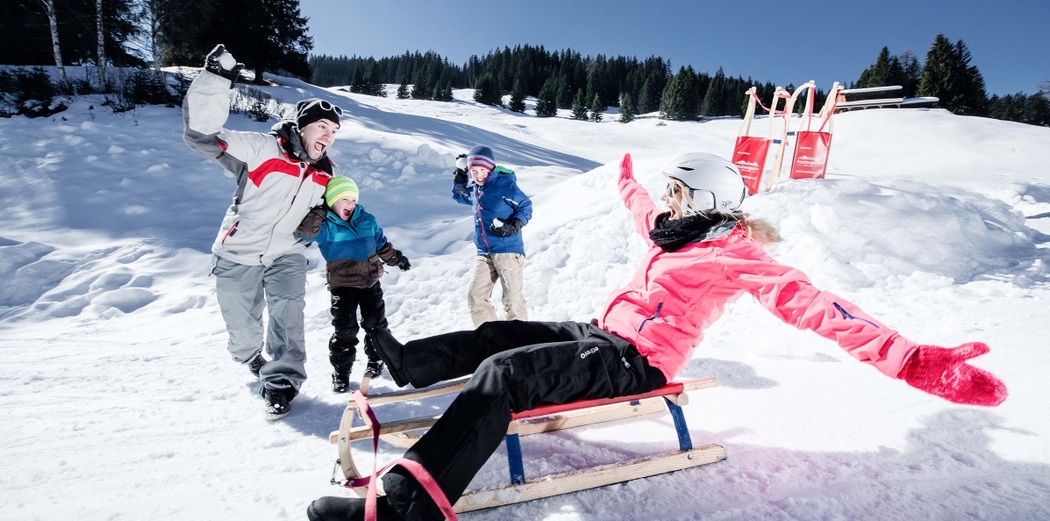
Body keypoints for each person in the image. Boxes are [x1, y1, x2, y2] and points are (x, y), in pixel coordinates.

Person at [307, 152, 1008, 521]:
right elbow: (641, 208)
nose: (666, 201)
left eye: (679, 192)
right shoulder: (674, 232)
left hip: (636, 361)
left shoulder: (735, 254)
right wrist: (627, 180)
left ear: (704, 200)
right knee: (499, 332)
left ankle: (405, 508)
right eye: (669, 192)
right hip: (601, 333)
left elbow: (815, 305)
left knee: (506, 376)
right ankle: (404, 363)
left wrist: (910, 358)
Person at [182, 43, 342, 420]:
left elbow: (333, 207)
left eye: (334, 131)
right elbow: (202, 136)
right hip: (239, 251)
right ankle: (251, 357)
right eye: (322, 127)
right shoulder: (260, 149)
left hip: (287, 252)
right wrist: (216, 81)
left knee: (289, 311)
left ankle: (282, 381)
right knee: (243, 327)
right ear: (302, 125)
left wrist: (319, 217)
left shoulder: (326, 172)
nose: (329, 136)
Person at [297, 176, 412, 393]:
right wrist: (320, 211)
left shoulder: (366, 219)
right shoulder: (326, 226)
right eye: (343, 199)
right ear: (331, 201)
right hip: (343, 286)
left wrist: (396, 258)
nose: (349, 204)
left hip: (370, 283)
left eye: (353, 199)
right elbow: (305, 231)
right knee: (345, 330)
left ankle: (376, 360)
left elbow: (380, 243)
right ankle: (341, 372)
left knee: (376, 325)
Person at [451, 145, 533, 327]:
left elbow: (525, 205)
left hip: (508, 251)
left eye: (482, 170)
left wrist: (513, 225)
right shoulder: (476, 190)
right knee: (475, 297)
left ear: (490, 168)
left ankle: (520, 342)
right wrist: (460, 176)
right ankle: (491, 338)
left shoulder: (504, 185)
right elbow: (459, 196)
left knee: (512, 300)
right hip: (484, 253)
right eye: (474, 171)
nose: (478, 175)